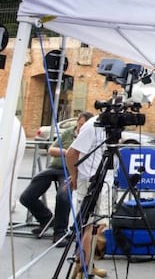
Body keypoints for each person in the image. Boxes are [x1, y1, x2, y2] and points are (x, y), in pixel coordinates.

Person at [19, 111, 93, 246]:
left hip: (70, 171)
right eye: (79, 124)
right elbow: (51, 150)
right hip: (54, 167)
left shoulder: (88, 136)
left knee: (63, 195)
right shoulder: (68, 133)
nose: (80, 127)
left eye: (83, 125)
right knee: (27, 195)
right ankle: (46, 218)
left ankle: (60, 231)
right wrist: (67, 152)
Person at [66, 115, 112, 278]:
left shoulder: (109, 128)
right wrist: (75, 177)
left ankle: (87, 265)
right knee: (91, 227)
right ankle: (82, 268)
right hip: (91, 181)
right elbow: (71, 154)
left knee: (96, 227)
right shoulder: (93, 125)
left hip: (102, 180)